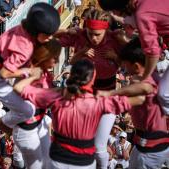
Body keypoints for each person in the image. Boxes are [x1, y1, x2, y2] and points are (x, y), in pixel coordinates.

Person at [13, 59, 143, 169]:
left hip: (57, 161)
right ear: (92, 80)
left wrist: (33, 75)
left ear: (71, 76)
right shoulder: (100, 102)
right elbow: (141, 98)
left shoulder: (56, 95)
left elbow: (18, 88)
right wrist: (111, 94)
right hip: (84, 163)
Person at [55, 9, 128, 168]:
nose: (93, 38)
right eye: (90, 33)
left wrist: (116, 57)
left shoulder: (115, 39)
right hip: (83, 99)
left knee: (99, 147)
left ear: (106, 31)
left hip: (107, 98)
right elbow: (46, 34)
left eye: (98, 34)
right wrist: (68, 33)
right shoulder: (80, 36)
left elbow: (130, 62)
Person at [0, 2, 60, 133]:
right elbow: (4, 74)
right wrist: (28, 71)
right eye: (47, 35)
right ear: (37, 32)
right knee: (27, 110)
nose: (49, 38)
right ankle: (2, 124)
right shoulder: (24, 48)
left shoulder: (24, 28)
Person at [99, 38, 169, 168]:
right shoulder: (152, 74)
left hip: (150, 149)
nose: (124, 68)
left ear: (136, 66)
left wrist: (110, 94)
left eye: (126, 65)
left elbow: (143, 88)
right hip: (147, 145)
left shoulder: (142, 81)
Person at [12, 39, 61, 169]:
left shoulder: (46, 73)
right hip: (26, 127)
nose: (56, 61)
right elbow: (17, 88)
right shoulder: (29, 70)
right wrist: (33, 77)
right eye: (54, 58)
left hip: (40, 122)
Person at [98, 0, 169, 81]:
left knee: (163, 92)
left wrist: (144, 79)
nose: (113, 14)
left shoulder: (142, 14)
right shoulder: (142, 5)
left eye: (112, 11)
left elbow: (153, 52)